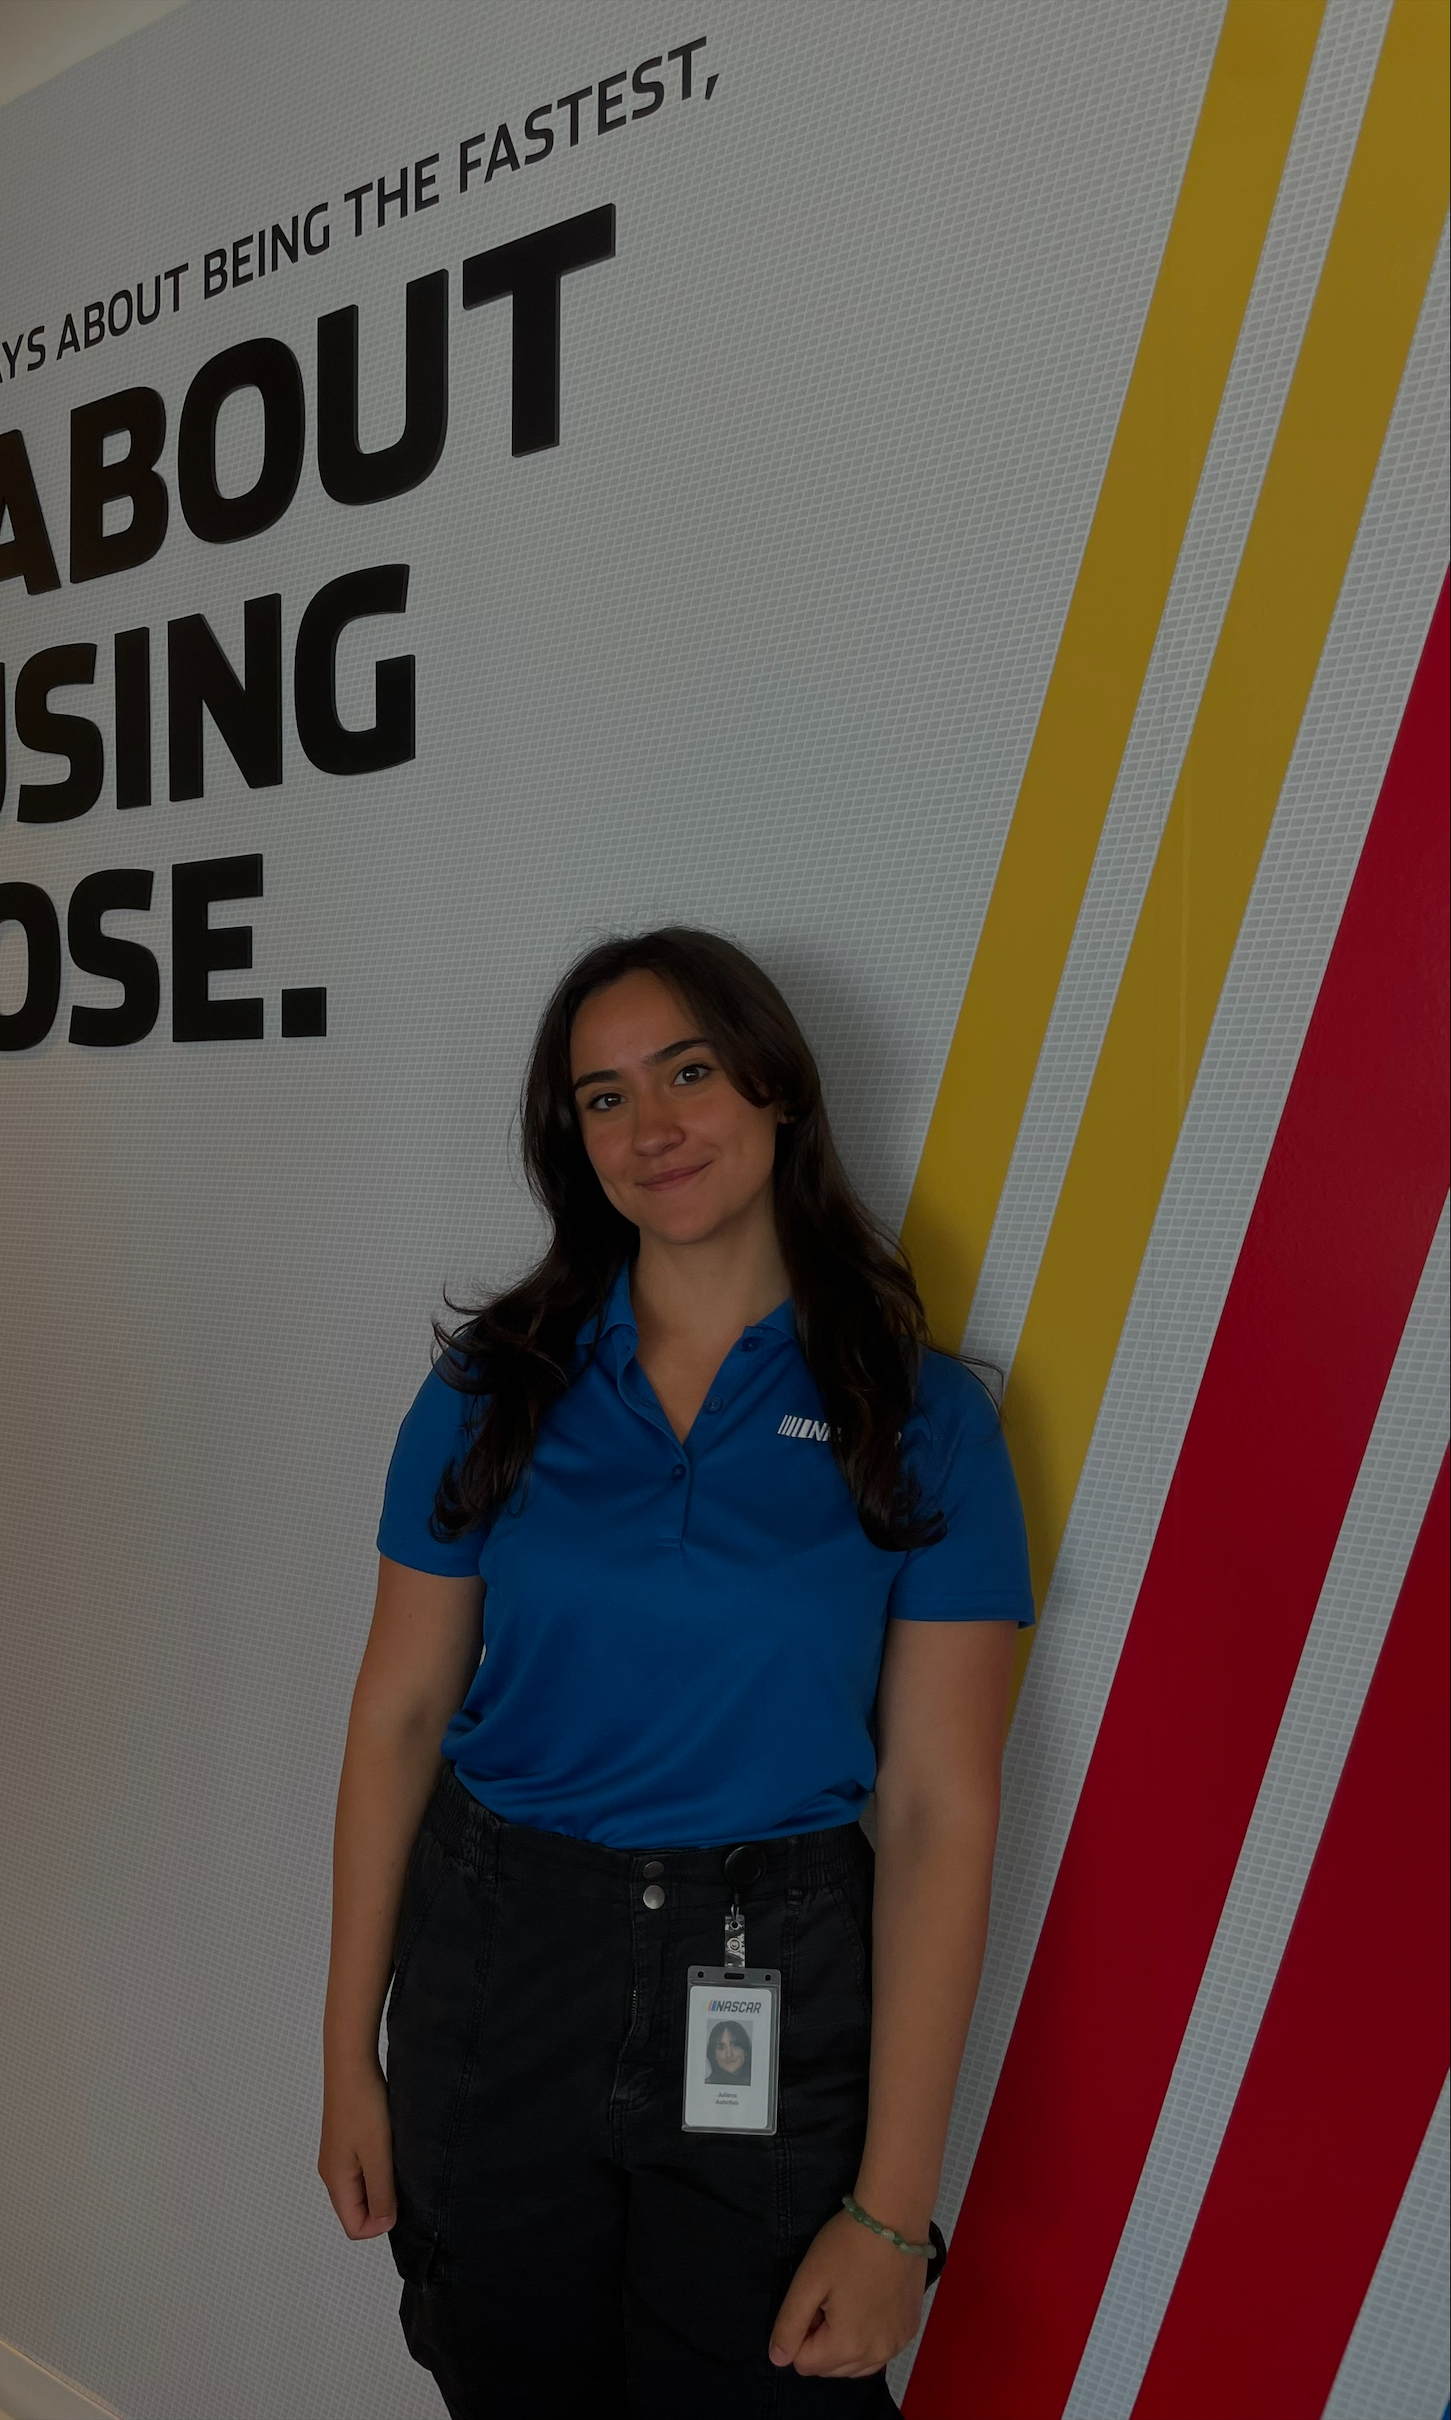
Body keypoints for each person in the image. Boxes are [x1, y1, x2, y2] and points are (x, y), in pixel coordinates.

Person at [319, 927, 1033, 2416]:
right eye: (602, 1098)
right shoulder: (490, 1387)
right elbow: (396, 1721)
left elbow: (937, 1813)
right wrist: (348, 2056)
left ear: (774, 1087)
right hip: (502, 1958)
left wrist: (896, 2207)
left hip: (773, 1961)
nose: (652, 1129)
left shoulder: (923, 1417)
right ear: (569, 1142)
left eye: (688, 1074)